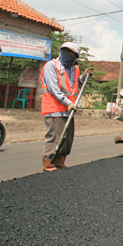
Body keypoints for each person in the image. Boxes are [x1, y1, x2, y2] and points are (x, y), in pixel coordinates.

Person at [40, 42, 91, 172]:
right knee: (55, 136)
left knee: (67, 138)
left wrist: (83, 77)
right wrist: (68, 103)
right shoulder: (51, 66)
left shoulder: (73, 69)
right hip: (54, 108)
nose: (67, 54)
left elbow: (73, 84)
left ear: (76, 56)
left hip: (68, 110)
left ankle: (59, 161)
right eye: (65, 51)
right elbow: (53, 88)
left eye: (71, 53)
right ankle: (48, 163)